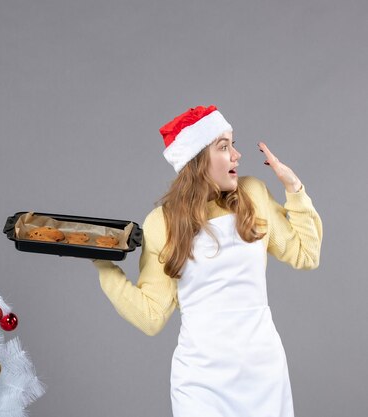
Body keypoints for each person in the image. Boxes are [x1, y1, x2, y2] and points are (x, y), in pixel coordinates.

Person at [92, 105, 323, 417]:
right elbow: (151, 316)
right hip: (201, 381)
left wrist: (295, 190)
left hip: (263, 373)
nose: (237, 155)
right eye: (224, 147)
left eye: (233, 144)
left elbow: (306, 254)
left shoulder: (252, 195)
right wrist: (103, 263)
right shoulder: (162, 223)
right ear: (198, 160)